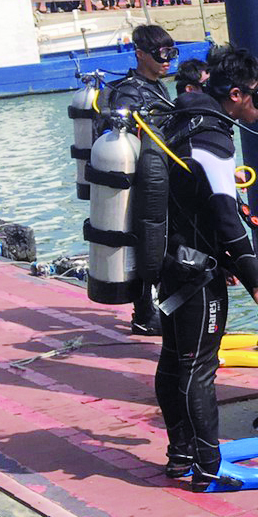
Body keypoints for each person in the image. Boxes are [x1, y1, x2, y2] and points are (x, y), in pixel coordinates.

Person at [156, 46, 258, 489]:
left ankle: (181, 455)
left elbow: (193, 204)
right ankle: (209, 468)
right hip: (197, 275)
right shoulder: (214, 136)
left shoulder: (181, 116)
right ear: (235, 94)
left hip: (173, 262)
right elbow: (226, 217)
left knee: (174, 362)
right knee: (197, 368)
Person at [102, 24, 178, 335]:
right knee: (145, 243)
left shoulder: (158, 86)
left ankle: (159, 309)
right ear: (140, 54)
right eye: (161, 54)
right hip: (138, 182)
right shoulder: (129, 91)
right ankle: (145, 314)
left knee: (161, 241)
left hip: (159, 176)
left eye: (171, 53)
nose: (167, 61)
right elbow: (120, 137)